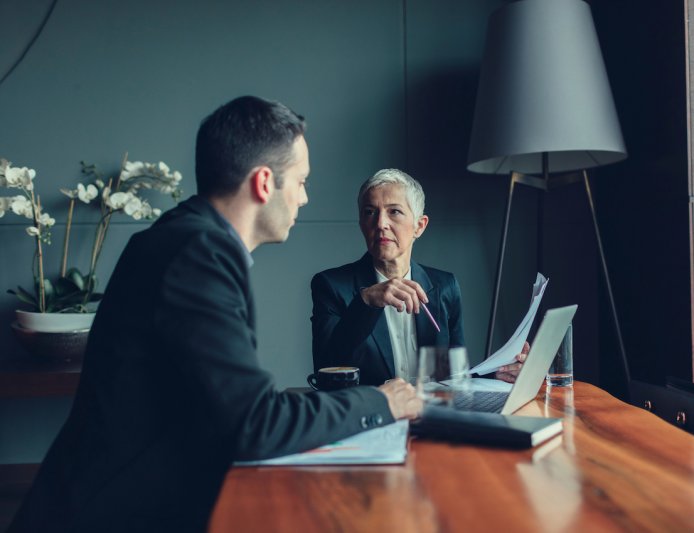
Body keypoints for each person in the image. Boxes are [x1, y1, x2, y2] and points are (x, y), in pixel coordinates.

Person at [10, 97, 421, 533]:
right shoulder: (198, 255)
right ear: (265, 183)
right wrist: (382, 401)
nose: (305, 196)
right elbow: (253, 423)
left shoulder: (186, 238)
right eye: (300, 181)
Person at [311, 168, 528, 387]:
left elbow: (454, 376)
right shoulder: (331, 286)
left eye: (394, 211)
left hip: (435, 413)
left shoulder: (445, 287)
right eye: (369, 212)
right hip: (372, 417)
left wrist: (495, 375)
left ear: (419, 226)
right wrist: (366, 303)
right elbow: (325, 367)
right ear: (361, 225)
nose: (380, 224)